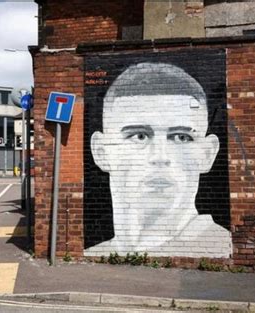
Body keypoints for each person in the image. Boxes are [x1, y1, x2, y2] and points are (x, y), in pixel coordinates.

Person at [86, 62, 231, 258]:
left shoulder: (222, 248)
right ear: (101, 152)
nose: (160, 157)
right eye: (139, 136)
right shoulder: (98, 254)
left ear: (207, 154)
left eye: (181, 137)